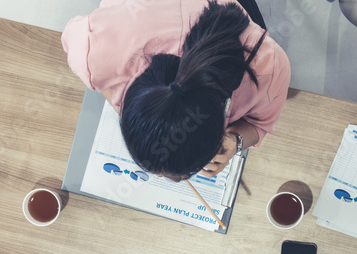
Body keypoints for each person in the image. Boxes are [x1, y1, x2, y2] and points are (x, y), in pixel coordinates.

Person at [62, 0, 290, 180]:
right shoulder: (95, 54)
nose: (170, 178)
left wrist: (237, 141)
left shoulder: (267, 69)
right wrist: (237, 141)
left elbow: (259, 124)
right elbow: (71, 36)